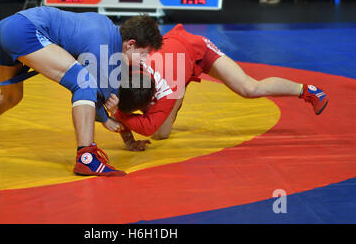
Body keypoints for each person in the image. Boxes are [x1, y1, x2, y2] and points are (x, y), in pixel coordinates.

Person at [0, 7, 163, 177]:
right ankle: (87, 156)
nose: (143, 61)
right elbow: (95, 105)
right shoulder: (104, 49)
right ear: (131, 44)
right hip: (25, 31)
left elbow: (102, 102)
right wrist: (107, 118)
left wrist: (112, 121)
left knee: (10, 97)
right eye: (144, 55)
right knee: (83, 83)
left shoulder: (105, 27)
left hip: (5, 28)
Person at [105, 24, 328, 151]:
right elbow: (126, 108)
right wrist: (128, 137)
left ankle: (307, 90)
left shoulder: (165, 93)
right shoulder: (125, 67)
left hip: (194, 49)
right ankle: (180, 85)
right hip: (172, 67)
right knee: (162, 135)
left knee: (249, 88)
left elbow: (146, 126)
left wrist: (118, 113)